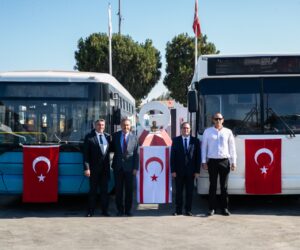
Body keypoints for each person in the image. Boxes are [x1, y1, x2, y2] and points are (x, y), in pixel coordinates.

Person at [201, 112, 237, 216]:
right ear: (213, 120)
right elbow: (204, 147)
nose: (218, 121)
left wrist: (233, 162)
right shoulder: (207, 132)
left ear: (223, 120)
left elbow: (232, 148)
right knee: (212, 186)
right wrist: (203, 161)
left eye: (220, 119)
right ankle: (211, 208)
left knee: (224, 187)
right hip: (212, 161)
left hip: (224, 161)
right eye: (216, 119)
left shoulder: (228, 132)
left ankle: (224, 208)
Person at [171, 122, 201, 216]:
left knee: (189, 192)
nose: (186, 130)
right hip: (178, 171)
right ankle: (178, 210)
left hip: (191, 172)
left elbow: (198, 157)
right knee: (178, 192)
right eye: (184, 128)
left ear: (190, 129)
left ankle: (188, 210)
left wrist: (197, 171)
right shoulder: (175, 140)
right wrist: (173, 170)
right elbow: (172, 157)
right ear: (181, 129)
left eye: (187, 128)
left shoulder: (195, 141)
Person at [111, 118, 139, 216]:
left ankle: (128, 210)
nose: (125, 127)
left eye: (127, 125)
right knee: (118, 191)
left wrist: (136, 168)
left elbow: (136, 154)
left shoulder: (134, 137)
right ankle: (119, 210)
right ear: (120, 126)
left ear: (130, 126)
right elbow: (110, 149)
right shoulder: (115, 136)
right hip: (117, 167)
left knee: (129, 190)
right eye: (123, 125)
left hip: (130, 169)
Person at [83, 119, 111, 217]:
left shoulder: (107, 136)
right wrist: (87, 168)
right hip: (93, 170)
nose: (101, 126)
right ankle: (91, 211)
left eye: (102, 125)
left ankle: (105, 211)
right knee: (92, 191)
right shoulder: (89, 137)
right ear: (95, 126)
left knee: (104, 192)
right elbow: (85, 155)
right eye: (99, 125)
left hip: (105, 170)